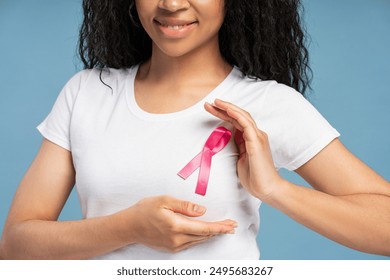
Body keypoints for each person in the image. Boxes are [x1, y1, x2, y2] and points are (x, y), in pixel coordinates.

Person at [1, 0, 389, 260]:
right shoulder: (87, 92)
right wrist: (127, 227)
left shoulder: (268, 104)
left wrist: (276, 190)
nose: (171, 4)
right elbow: (15, 245)